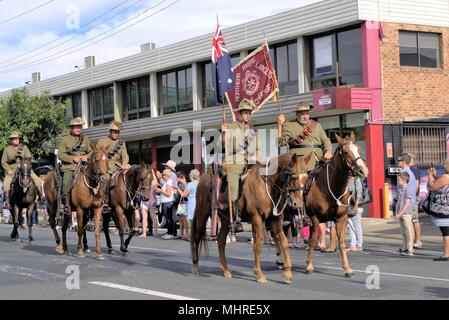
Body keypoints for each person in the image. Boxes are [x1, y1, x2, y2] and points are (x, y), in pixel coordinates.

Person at [278, 101, 333, 251]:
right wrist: (280, 126)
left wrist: (328, 150)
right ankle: (303, 216)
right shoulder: (290, 126)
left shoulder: (317, 126)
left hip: (319, 162)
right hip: (302, 164)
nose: (305, 116)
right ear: (297, 115)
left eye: (307, 113)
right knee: (302, 191)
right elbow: (281, 142)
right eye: (302, 114)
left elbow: (326, 141)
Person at [222, 98, 260, 234]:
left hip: (250, 164)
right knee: (233, 184)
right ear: (239, 113)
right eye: (245, 112)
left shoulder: (252, 130)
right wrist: (223, 134)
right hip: (234, 162)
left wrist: (256, 155)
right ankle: (235, 217)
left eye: (249, 112)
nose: (248, 115)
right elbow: (225, 146)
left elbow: (257, 148)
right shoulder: (231, 127)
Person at [57, 117, 93, 223]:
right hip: (70, 167)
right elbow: (60, 155)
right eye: (76, 127)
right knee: (66, 182)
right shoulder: (65, 139)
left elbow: (91, 151)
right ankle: (67, 204)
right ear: (72, 128)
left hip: (84, 166)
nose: (78, 129)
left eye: (80, 127)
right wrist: (73, 158)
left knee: (96, 178)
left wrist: (87, 156)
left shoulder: (85, 139)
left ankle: (97, 202)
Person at [1, 131, 46, 209]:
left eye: (17, 138)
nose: (16, 140)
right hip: (12, 169)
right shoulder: (7, 149)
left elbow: (29, 158)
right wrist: (8, 170)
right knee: (6, 184)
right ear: (11, 140)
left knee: (37, 180)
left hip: (25, 169)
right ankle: (7, 202)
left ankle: (41, 197)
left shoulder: (24, 148)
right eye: (14, 139)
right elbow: (3, 162)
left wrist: (25, 163)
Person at [427, 158, 449, 261]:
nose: (443, 165)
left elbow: (433, 187)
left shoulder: (446, 177)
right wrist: (435, 176)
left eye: (444, 163)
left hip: (444, 208)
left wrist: (430, 176)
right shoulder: (444, 178)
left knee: (446, 232)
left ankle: (446, 254)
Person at [395, 172, 415, 256]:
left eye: (399, 180)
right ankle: (404, 248)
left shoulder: (408, 190)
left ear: (404, 181)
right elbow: (398, 203)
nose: (398, 181)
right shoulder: (400, 190)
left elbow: (407, 204)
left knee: (408, 231)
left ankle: (410, 249)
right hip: (400, 213)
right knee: (403, 232)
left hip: (406, 214)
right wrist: (397, 212)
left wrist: (400, 213)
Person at [407, 153, 422, 249]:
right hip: (410, 197)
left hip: (413, 197)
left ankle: (418, 240)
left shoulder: (414, 169)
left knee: (415, 219)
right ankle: (413, 239)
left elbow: (416, 185)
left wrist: (412, 197)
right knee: (412, 219)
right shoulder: (409, 169)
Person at [156, 169, 175, 239]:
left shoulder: (168, 183)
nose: (162, 176)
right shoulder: (167, 183)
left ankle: (171, 233)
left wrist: (161, 191)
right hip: (165, 202)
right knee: (168, 218)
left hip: (167, 202)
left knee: (169, 218)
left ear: (165, 175)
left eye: (163, 175)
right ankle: (169, 232)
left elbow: (168, 194)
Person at [347, 175, 364, 252]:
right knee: (350, 225)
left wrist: (356, 205)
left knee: (357, 225)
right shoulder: (346, 179)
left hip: (356, 205)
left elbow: (359, 193)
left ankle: (359, 244)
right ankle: (352, 244)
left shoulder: (356, 179)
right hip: (348, 205)